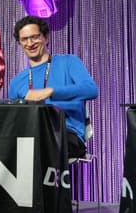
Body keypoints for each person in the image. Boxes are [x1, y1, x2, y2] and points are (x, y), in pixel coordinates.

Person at [9, 15, 98, 158]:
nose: (30, 43)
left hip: (66, 133)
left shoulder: (68, 62)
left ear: (46, 37)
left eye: (35, 37)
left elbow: (91, 90)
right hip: (30, 134)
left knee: (37, 145)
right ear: (19, 44)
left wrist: (51, 92)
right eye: (24, 39)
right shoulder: (16, 82)